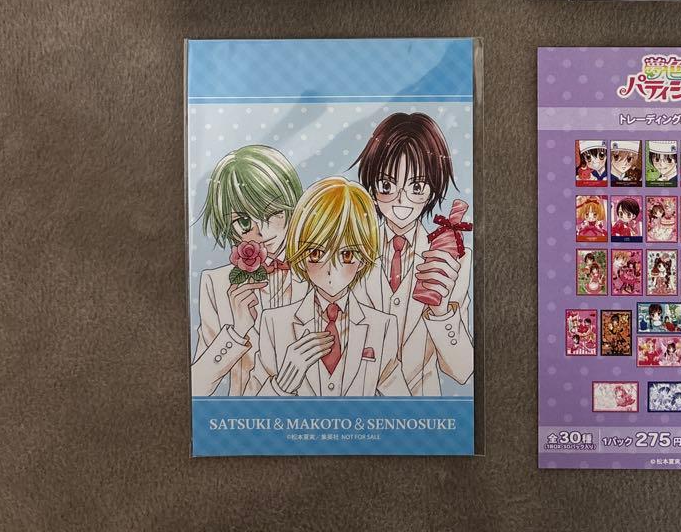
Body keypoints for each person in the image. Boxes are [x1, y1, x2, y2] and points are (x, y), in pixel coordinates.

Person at [250, 177, 408, 397]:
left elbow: (403, 407)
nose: (331, 269)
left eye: (347, 254)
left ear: (363, 259)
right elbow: (250, 411)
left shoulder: (382, 326)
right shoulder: (275, 323)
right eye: (316, 253)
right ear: (300, 256)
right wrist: (281, 385)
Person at [353, 113, 473, 395]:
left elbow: (462, 370)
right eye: (387, 186)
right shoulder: (351, 251)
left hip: (423, 409)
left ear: (432, 190)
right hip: (358, 406)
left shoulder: (454, 258)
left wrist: (441, 312)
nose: (401, 200)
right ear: (371, 188)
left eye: (416, 187)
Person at [191, 145, 304, 397]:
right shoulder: (217, 284)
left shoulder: (324, 272)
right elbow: (196, 387)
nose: (261, 231)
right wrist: (236, 332)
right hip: (244, 416)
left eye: (273, 212)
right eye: (244, 221)